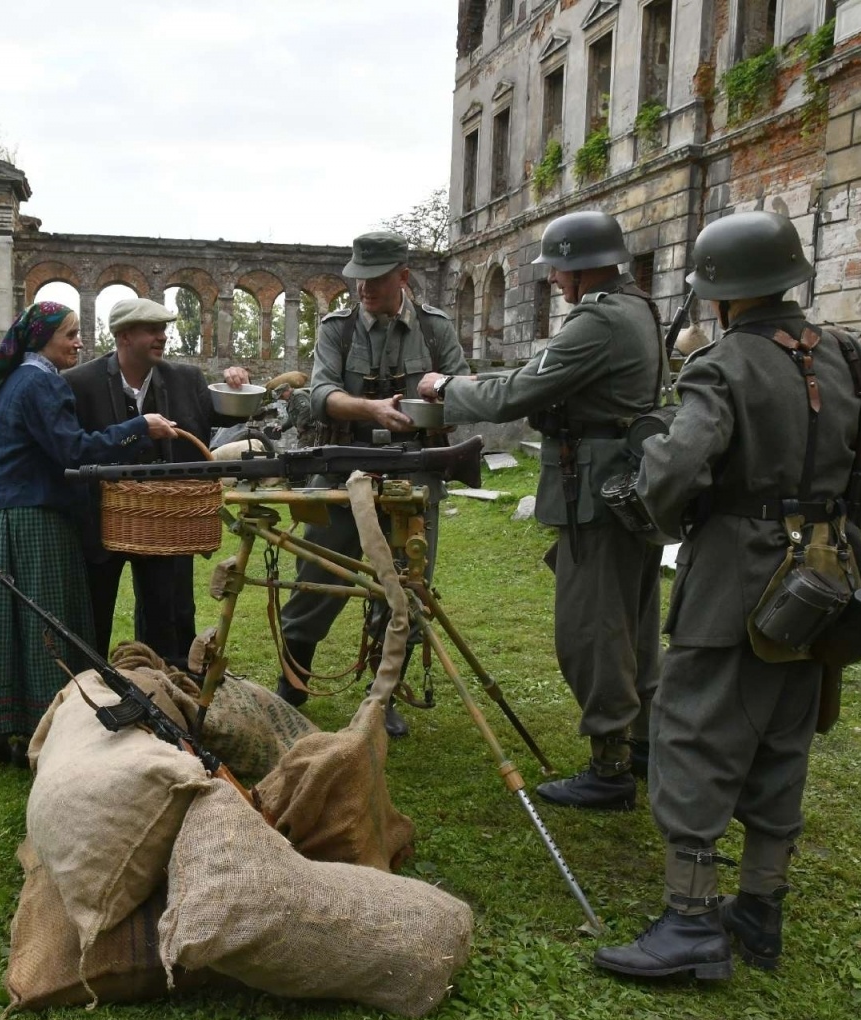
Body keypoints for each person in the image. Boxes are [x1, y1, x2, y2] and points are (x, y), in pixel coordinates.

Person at [592, 211, 861, 981]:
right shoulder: (850, 354)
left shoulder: (721, 364)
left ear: (721, 295)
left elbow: (674, 471)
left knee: (695, 734)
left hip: (734, 577)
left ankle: (693, 922)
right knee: (783, 734)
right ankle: (761, 908)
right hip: (828, 573)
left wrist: (650, 508)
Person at [418, 211, 665, 811]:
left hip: (596, 495)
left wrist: (443, 387)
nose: (553, 279)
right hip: (628, 489)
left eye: (557, 268)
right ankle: (643, 747)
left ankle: (609, 770)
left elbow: (515, 395)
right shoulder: (637, 308)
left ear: (580, 267)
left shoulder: (599, 320)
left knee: (592, 632)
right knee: (633, 625)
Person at [0, 302, 178, 769]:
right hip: (33, 520)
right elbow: (73, 451)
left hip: (0, 518)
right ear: (42, 339)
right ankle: (42, 727)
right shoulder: (39, 383)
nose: (79, 342)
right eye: (70, 335)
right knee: (46, 629)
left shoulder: (11, 379)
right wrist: (141, 426)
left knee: (4, 626)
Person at [275, 230, 469, 738]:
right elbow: (320, 394)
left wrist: (437, 396)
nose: (363, 290)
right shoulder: (336, 329)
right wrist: (372, 409)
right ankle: (292, 684)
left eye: (375, 280)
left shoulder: (434, 329)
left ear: (403, 277)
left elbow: (462, 387)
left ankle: (382, 699)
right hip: (342, 470)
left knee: (402, 586)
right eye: (358, 280)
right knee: (317, 574)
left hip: (414, 474)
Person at [63, 296, 250, 667]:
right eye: (152, 329)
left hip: (168, 521)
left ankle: (170, 685)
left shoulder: (187, 379)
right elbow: (73, 449)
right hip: (101, 521)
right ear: (123, 336)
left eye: (163, 329)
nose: (162, 336)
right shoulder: (77, 383)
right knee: (92, 614)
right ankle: (87, 688)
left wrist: (237, 384)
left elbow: (230, 417)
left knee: (171, 616)